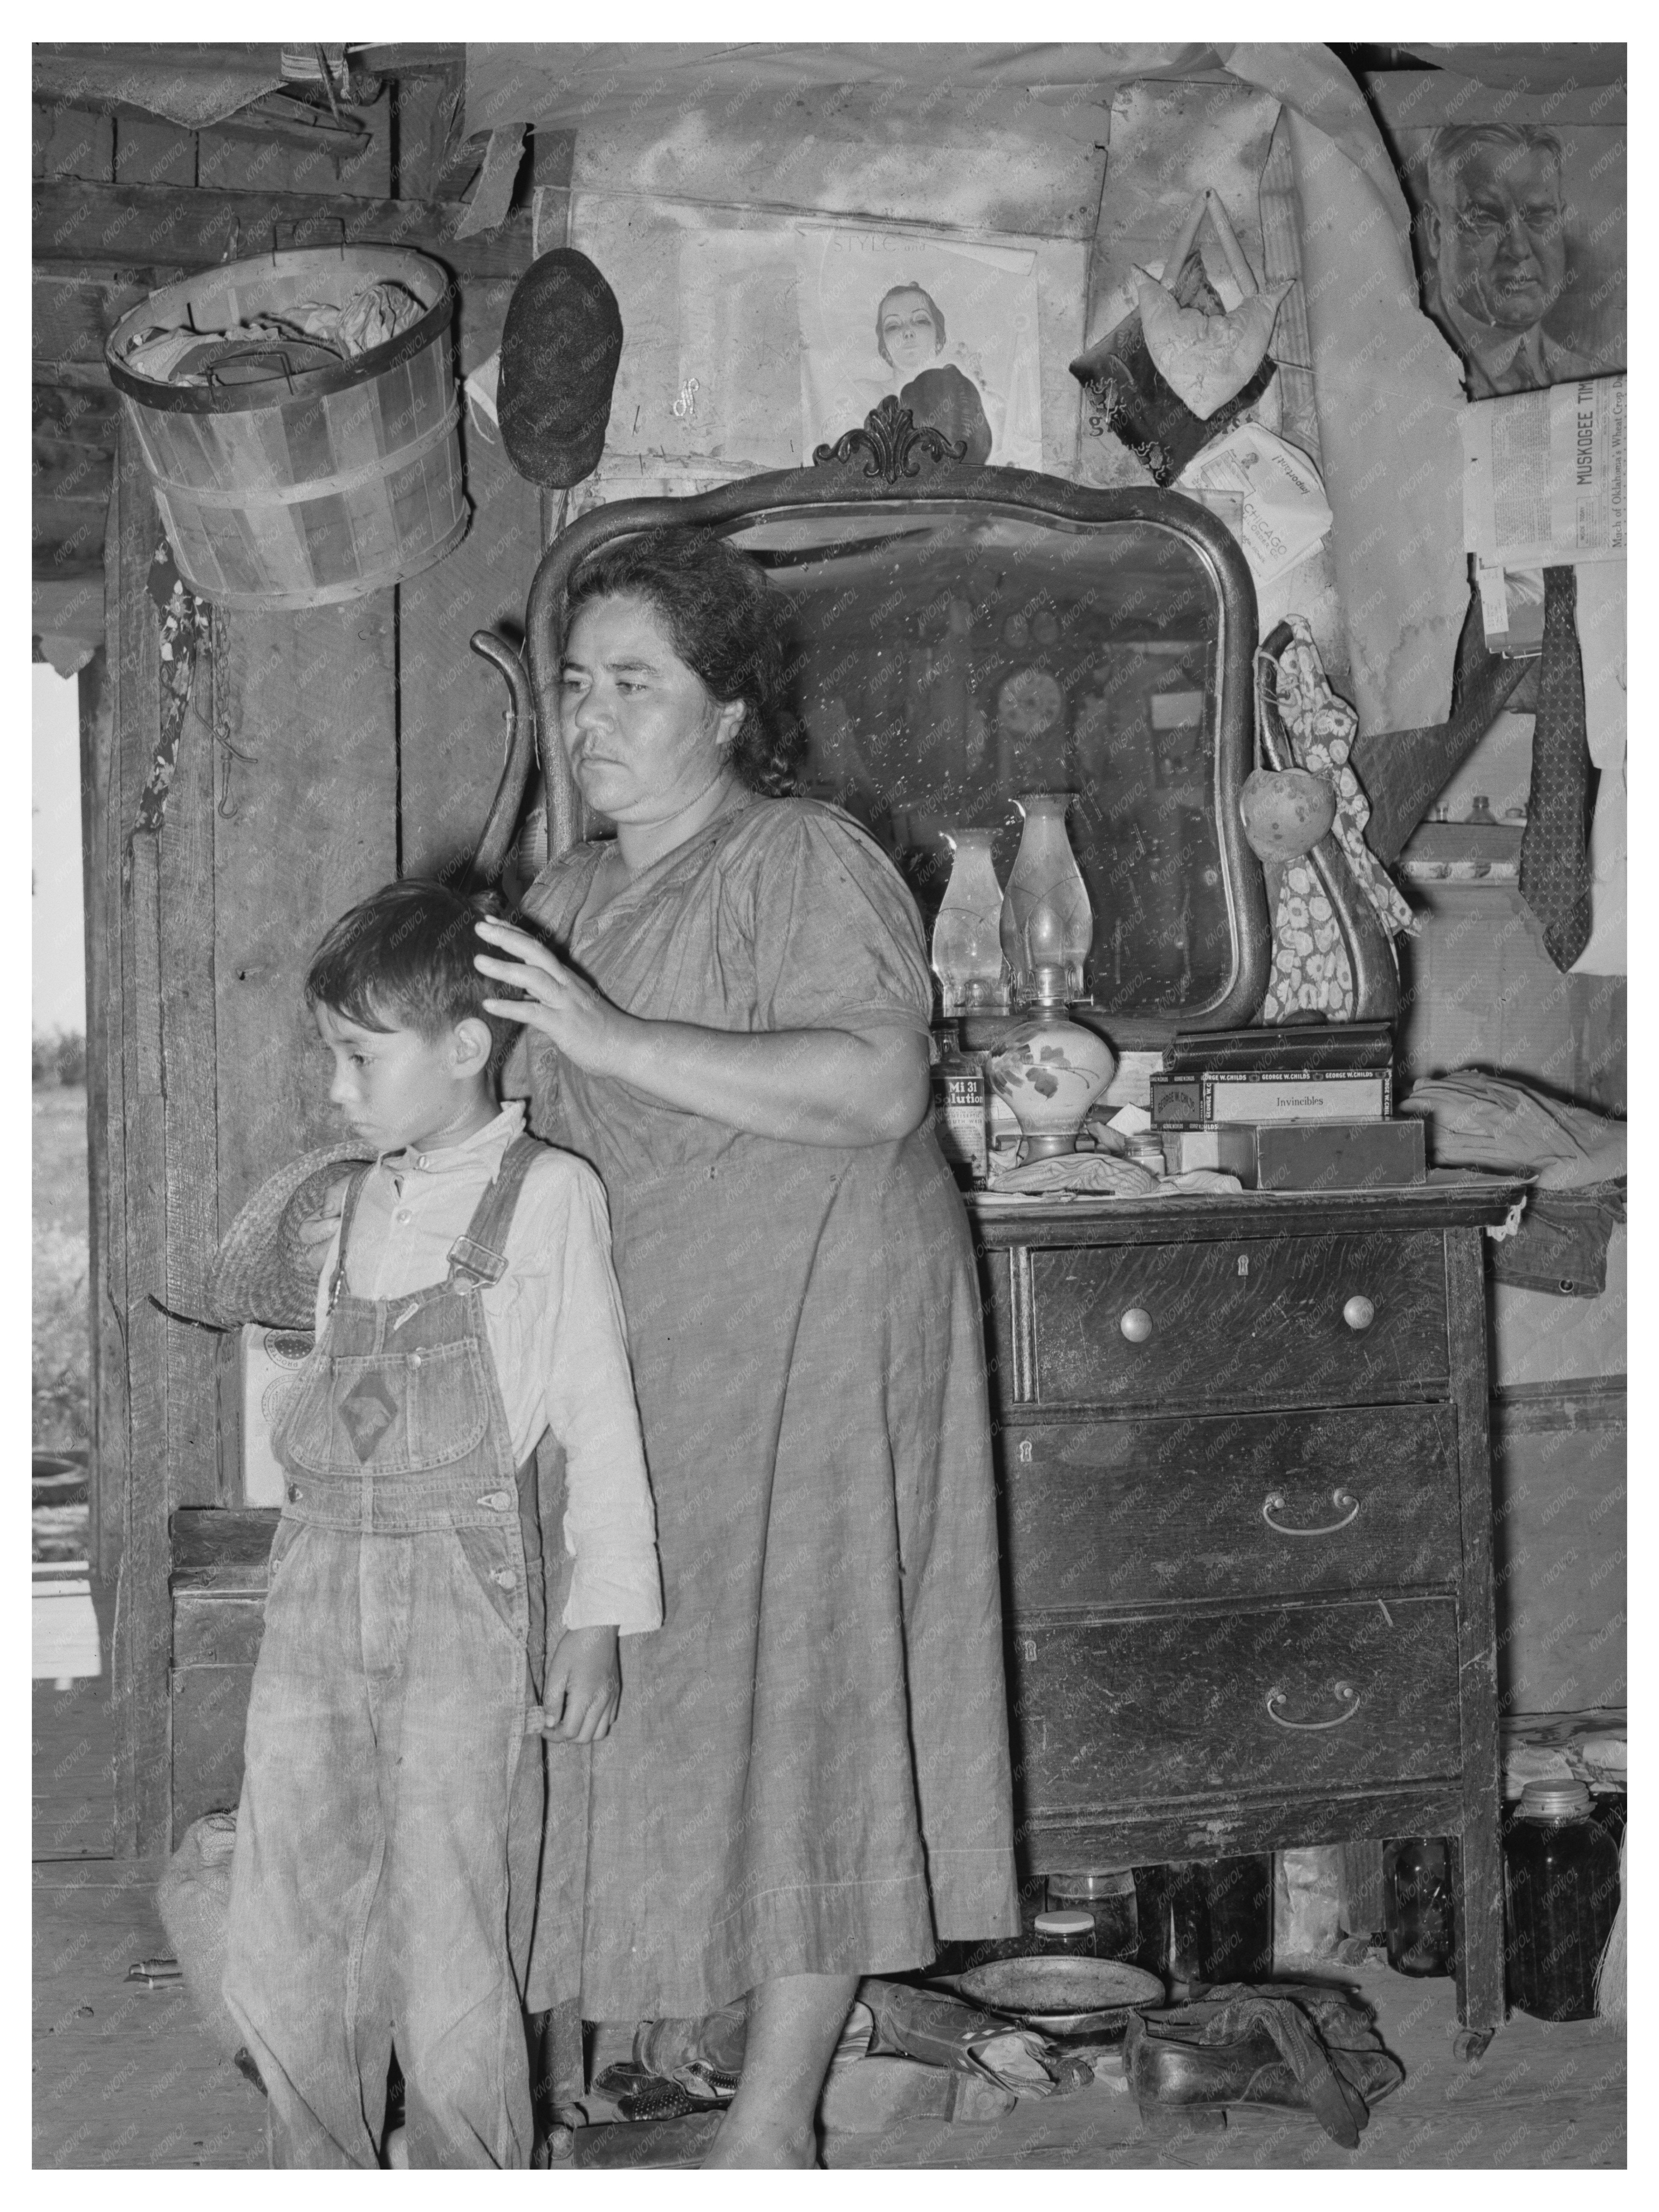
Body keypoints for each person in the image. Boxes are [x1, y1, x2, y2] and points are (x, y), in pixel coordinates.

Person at [472, 528, 1020, 2167]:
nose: (591, 715)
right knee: (670, 1675)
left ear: (727, 713)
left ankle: (769, 2128)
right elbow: (530, 1115)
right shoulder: (568, 892)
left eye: (637, 683)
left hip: (828, 1317)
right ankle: (666, 2053)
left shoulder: (807, 853)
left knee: (819, 1689)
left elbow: (874, 1088)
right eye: (578, 686)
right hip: (668, 1338)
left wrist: (608, 1035)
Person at [220, 878, 662, 2168]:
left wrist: (598, 1615)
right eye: (331, 1058)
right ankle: (321, 2165)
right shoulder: (357, 1199)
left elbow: (600, 1415)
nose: (338, 1090)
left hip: (459, 1597)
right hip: (315, 1589)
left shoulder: (548, 1198)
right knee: (290, 1905)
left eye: (361, 1058)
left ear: (466, 1046)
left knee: (449, 1919)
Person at [1419, 123, 1600, 397]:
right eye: (1484, 218)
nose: (1518, 248)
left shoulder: (1596, 380)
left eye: (1539, 216)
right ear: (1436, 232)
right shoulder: (1403, 376)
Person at [874, 281, 994, 463]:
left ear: (939, 339)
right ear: (884, 349)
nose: (908, 332)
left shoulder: (962, 392)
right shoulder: (865, 396)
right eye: (893, 326)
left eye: (920, 321)